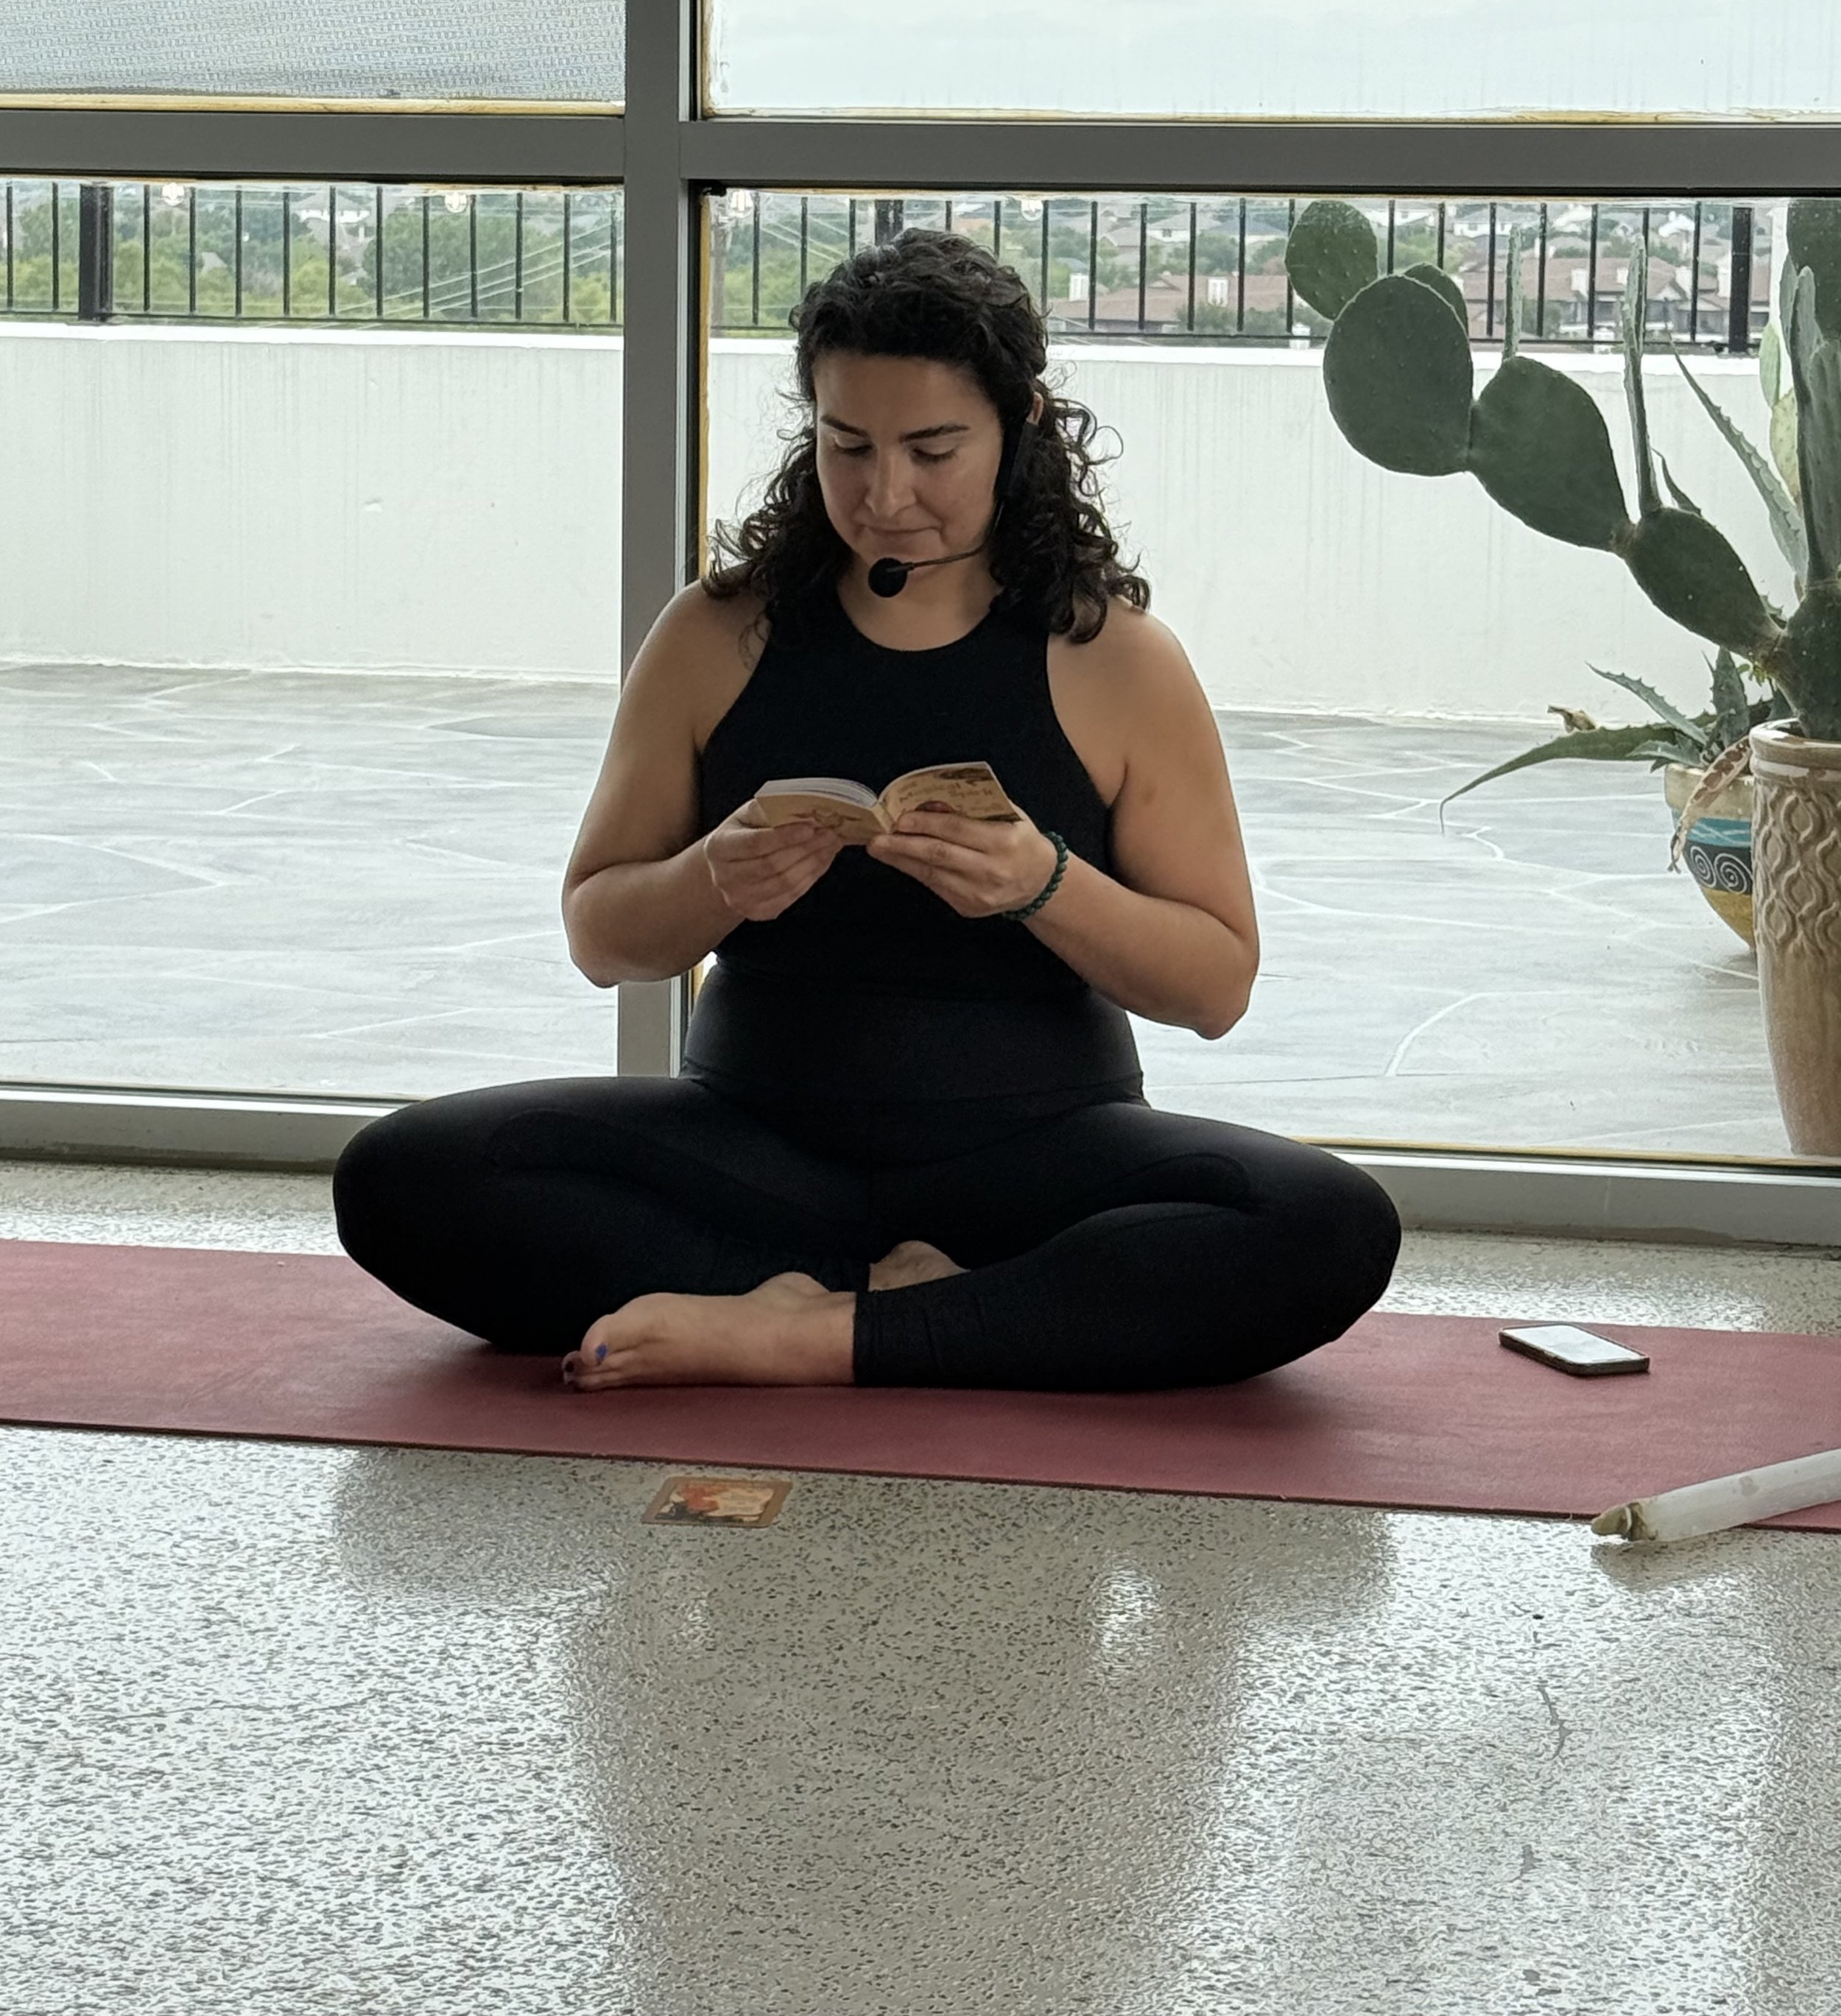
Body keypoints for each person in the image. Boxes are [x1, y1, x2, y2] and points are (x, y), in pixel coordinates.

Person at [333, 228, 1399, 1393]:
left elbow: (1217, 985)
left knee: (1325, 1223)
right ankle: (933, 1309)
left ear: (1021, 428)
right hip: (758, 1150)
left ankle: (796, 1330)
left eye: (932, 450)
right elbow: (599, 934)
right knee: (401, 1177)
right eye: (848, 446)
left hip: (1040, 1153)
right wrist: (710, 880)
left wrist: (1044, 883)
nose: (885, 495)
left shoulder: (1118, 656)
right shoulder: (714, 634)